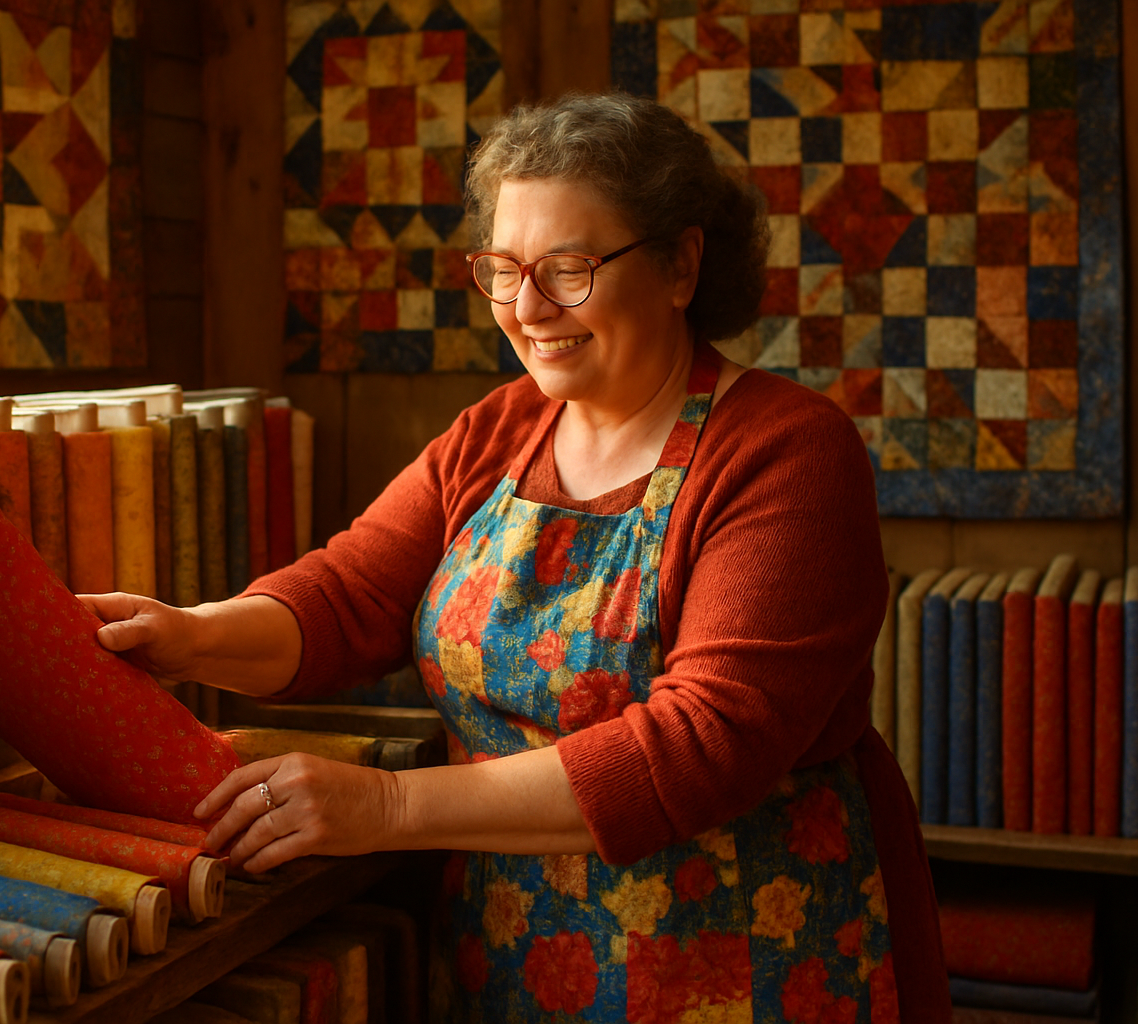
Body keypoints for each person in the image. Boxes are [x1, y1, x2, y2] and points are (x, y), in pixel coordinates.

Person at [81, 93, 950, 1023]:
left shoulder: (786, 451)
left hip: (746, 963)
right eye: (502, 269)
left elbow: (705, 746)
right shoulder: (496, 432)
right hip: (508, 958)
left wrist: (389, 807)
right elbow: (348, 596)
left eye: (569, 269)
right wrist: (190, 636)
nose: (527, 309)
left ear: (682, 264)